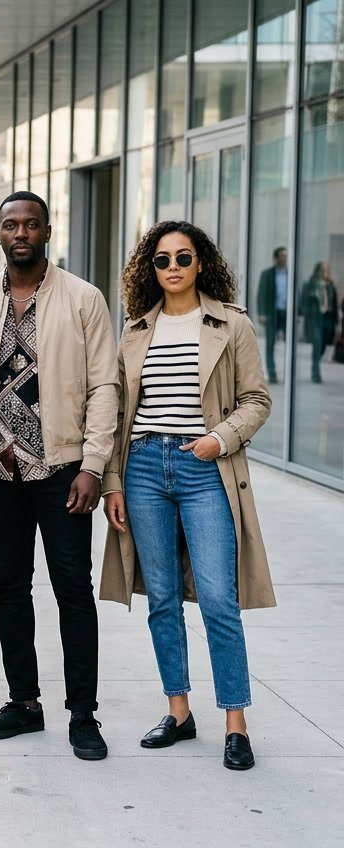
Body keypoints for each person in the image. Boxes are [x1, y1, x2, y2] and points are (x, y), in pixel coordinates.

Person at [100, 220, 274, 771]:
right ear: (148, 269)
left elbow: (256, 399)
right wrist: (113, 482)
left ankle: (235, 723)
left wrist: (218, 439)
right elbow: (116, 413)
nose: (172, 267)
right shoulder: (133, 331)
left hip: (206, 469)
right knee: (164, 600)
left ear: (202, 263)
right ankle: (178, 712)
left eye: (183, 257)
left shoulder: (230, 324)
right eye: (162, 260)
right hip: (145, 466)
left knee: (220, 600)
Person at [0, 190, 118, 761]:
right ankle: (24, 703)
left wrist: (93, 465)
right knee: (10, 589)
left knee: (73, 591)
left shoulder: (83, 299)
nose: (20, 233)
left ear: (48, 231)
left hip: (62, 471)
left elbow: (105, 388)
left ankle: (83, 714)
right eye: (9, 225)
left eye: (30, 224)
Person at [299, 261, 338, 384]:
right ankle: (316, 372)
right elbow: (303, 303)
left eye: (327, 270)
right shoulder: (310, 284)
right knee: (317, 343)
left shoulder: (330, 285)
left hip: (327, 318)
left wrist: (336, 321)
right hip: (315, 319)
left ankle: (316, 361)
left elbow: (335, 304)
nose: (325, 272)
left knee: (324, 344)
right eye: (323, 269)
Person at [255, 247, 288, 383]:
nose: (285, 258)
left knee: (289, 344)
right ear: (276, 258)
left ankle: (289, 372)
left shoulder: (290, 274)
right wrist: (261, 313)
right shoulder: (267, 274)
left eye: (286, 256)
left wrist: (297, 313)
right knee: (271, 344)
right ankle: (272, 373)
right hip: (271, 314)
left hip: (286, 313)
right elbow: (261, 294)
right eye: (282, 256)